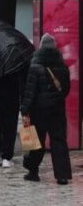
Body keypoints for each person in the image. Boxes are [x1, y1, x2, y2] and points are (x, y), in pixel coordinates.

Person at [21, 34, 72, 185]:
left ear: (41, 47)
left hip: (39, 111)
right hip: (57, 109)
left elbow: (30, 92)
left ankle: (33, 172)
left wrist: (25, 109)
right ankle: (62, 176)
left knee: (37, 142)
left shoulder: (35, 66)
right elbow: (66, 90)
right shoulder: (63, 67)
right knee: (59, 141)